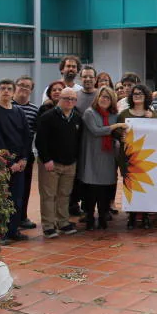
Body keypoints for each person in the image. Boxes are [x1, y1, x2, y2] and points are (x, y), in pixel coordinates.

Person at [0, 79, 32, 244]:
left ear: (13, 92)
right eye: (2, 88)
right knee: (3, 200)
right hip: (2, 165)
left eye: (9, 88)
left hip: (20, 163)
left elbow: (27, 136)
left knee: (17, 199)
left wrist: (24, 158)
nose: (5, 91)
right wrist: (10, 163)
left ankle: (13, 230)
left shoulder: (19, 112)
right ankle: (1, 234)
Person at [35, 87, 82, 238]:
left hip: (70, 163)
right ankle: (48, 225)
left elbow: (79, 140)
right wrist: (46, 159)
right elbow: (40, 141)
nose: (69, 101)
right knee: (49, 195)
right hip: (50, 163)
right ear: (59, 99)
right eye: (66, 98)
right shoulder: (47, 117)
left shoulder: (77, 117)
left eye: (72, 99)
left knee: (64, 195)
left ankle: (63, 222)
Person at [79, 86, 128, 230]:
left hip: (107, 155)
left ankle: (102, 217)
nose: (104, 99)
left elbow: (117, 133)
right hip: (92, 155)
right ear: (97, 98)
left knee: (105, 189)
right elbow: (96, 131)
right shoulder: (89, 113)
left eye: (108, 97)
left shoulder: (113, 115)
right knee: (91, 188)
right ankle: (89, 218)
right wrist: (116, 126)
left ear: (112, 100)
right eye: (102, 96)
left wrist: (121, 134)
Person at [118, 84, 157, 230]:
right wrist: (120, 135)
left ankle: (145, 215)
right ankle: (132, 215)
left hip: (146, 156)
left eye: (140, 93)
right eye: (135, 93)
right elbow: (116, 131)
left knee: (146, 186)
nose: (137, 95)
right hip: (128, 156)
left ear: (146, 96)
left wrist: (152, 117)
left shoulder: (151, 113)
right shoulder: (124, 114)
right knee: (129, 185)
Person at [12, 75, 39, 231]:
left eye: (27, 86)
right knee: (10, 189)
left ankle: (22, 217)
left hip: (27, 154)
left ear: (31, 90)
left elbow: (35, 132)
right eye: (20, 85)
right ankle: (8, 220)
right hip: (9, 155)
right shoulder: (6, 106)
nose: (23, 88)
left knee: (25, 187)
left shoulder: (34, 109)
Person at [70, 67, 96, 217]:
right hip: (78, 141)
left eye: (90, 77)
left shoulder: (100, 95)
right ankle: (74, 205)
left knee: (92, 175)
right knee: (78, 175)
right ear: (80, 78)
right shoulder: (75, 96)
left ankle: (89, 207)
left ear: (95, 78)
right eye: (84, 76)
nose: (87, 79)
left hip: (97, 142)